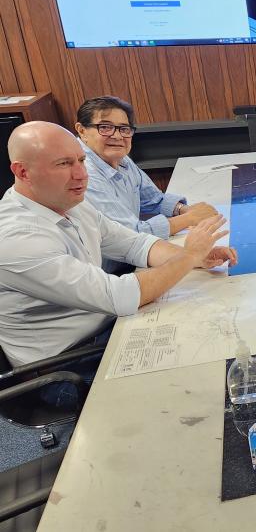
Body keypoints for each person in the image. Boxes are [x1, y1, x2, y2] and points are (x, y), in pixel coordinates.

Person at [0, 122, 238, 406]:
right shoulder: (16, 239)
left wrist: (195, 258)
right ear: (22, 171)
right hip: (64, 367)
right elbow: (119, 296)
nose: (80, 174)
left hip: (104, 329)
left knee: (214, 332)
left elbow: (134, 243)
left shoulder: (70, 202)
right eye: (64, 164)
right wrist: (187, 257)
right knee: (201, 384)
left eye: (81, 161)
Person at [75, 96, 217, 270]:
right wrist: (188, 219)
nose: (117, 135)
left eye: (124, 129)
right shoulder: (83, 174)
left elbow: (154, 199)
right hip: (106, 276)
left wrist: (184, 209)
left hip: (131, 261)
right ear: (82, 130)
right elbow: (130, 235)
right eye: (105, 127)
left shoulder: (120, 159)